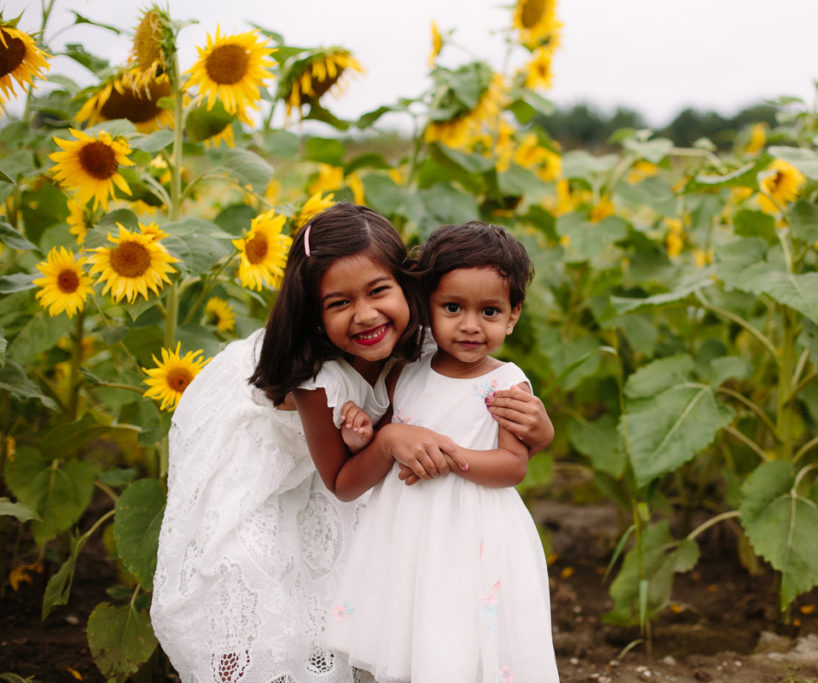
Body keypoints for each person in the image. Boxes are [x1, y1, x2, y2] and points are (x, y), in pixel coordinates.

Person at [152, 204, 553, 683]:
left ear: (409, 288)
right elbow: (344, 478)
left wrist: (540, 429)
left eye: (379, 290)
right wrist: (386, 440)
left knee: (334, 572)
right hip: (259, 452)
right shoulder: (311, 376)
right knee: (244, 569)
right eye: (339, 303)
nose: (366, 315)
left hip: (349, 457)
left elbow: (483, 426)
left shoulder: (434, 341)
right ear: (314, 315)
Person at [325, 221, 560, 683]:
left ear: (513, 315)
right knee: (412, 621)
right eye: (453, 307)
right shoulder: (407, 370)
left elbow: (514, 466)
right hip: (407, 527)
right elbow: (388, 437)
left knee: (461, 628)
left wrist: (448, 454)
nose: (470, 325)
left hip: (474, 531)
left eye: (490, 311)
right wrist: (361, 436)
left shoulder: (505, 384)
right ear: (428, 306)